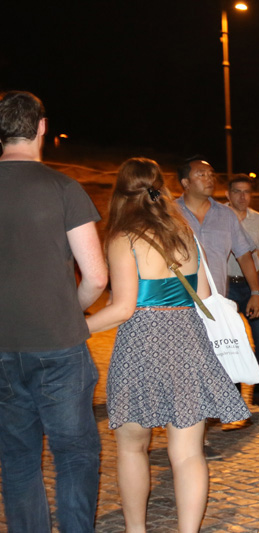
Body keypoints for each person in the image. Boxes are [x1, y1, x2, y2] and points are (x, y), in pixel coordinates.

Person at [86, 158, 250, 532]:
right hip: (188, 343)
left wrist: (76, 328)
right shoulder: (185, 235)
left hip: (142, 346)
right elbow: (204, 296)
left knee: (131, 448)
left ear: (121, 194)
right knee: (189, 453)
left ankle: (136, 530)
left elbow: (124, 308)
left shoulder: (123, 238)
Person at [0, 90, 107, 532]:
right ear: (42, 127)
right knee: (75, 453)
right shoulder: (64, 188)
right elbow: (97, 278)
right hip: (59, 347)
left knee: (18, 457)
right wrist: (71, 311)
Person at [176, 158, 259, 435]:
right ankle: (192, 426)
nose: (209, 178)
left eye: (211, 173)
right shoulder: (169, 213)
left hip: (216, 304)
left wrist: (256, 292)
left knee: (221, 357)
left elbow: (245, 255)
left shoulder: (226, 217)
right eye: (201, 174)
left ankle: (217, 412)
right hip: (179, 304)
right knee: (188, 365)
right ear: (185, 183)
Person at [225, 175, 259, 412]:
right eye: (237, 191)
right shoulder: (218, 217)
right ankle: (233, 394)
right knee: (232, 342)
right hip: (226, 287)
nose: (242, 197)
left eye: (246, 192)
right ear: (228, 194)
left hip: (253, 287)